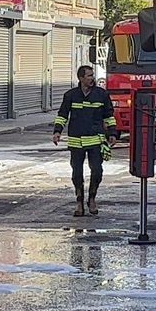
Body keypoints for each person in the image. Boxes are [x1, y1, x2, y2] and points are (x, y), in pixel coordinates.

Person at [54, 65, 118, 218]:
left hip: (96, 140)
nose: (92, 78)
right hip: (76, 141)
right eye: (88, 76)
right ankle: (79, 202)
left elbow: (108, 115)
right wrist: (57, 131)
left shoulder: (101, 95)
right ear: (81, 78)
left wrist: (112, 133)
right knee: (77, 174)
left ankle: (92, 199)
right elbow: (62, 115)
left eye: (92, 75)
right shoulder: (70, 95)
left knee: (97, 171)